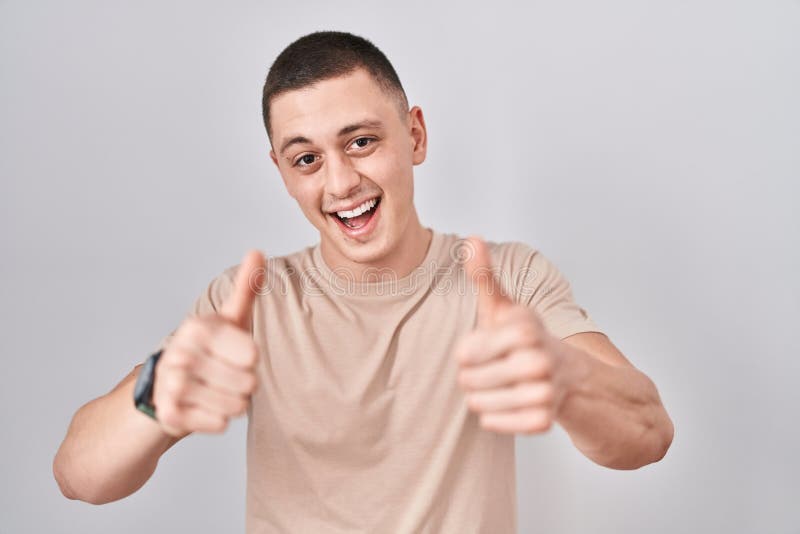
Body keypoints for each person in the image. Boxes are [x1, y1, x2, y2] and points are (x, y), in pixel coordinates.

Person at [53, 31, 674, 533]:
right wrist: (157, 392)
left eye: (362, 141)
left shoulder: (507, 279)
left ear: (415, 136)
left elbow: (648, 435)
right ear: (282, 170)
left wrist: (565, 378)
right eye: (307, 159)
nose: (341, 182)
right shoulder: (252, 303)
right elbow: (79, 478)